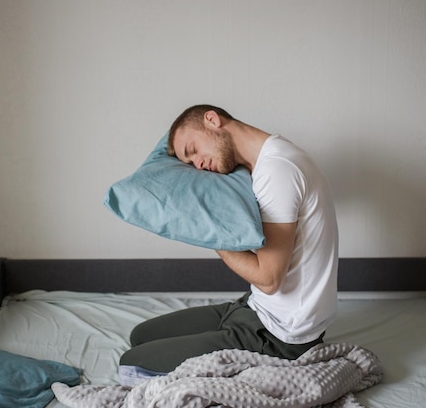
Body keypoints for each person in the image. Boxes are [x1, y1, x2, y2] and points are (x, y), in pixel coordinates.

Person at [118, 104, 339, 384]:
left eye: (193, 149)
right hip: (256, 308)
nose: (197, 164)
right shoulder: (261, 162)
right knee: (141, 335)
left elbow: (269, 279)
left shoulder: (278, 171)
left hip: (282, 336)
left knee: (132, 363)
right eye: (190, 162)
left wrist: (209, 229)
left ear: (212, 120)